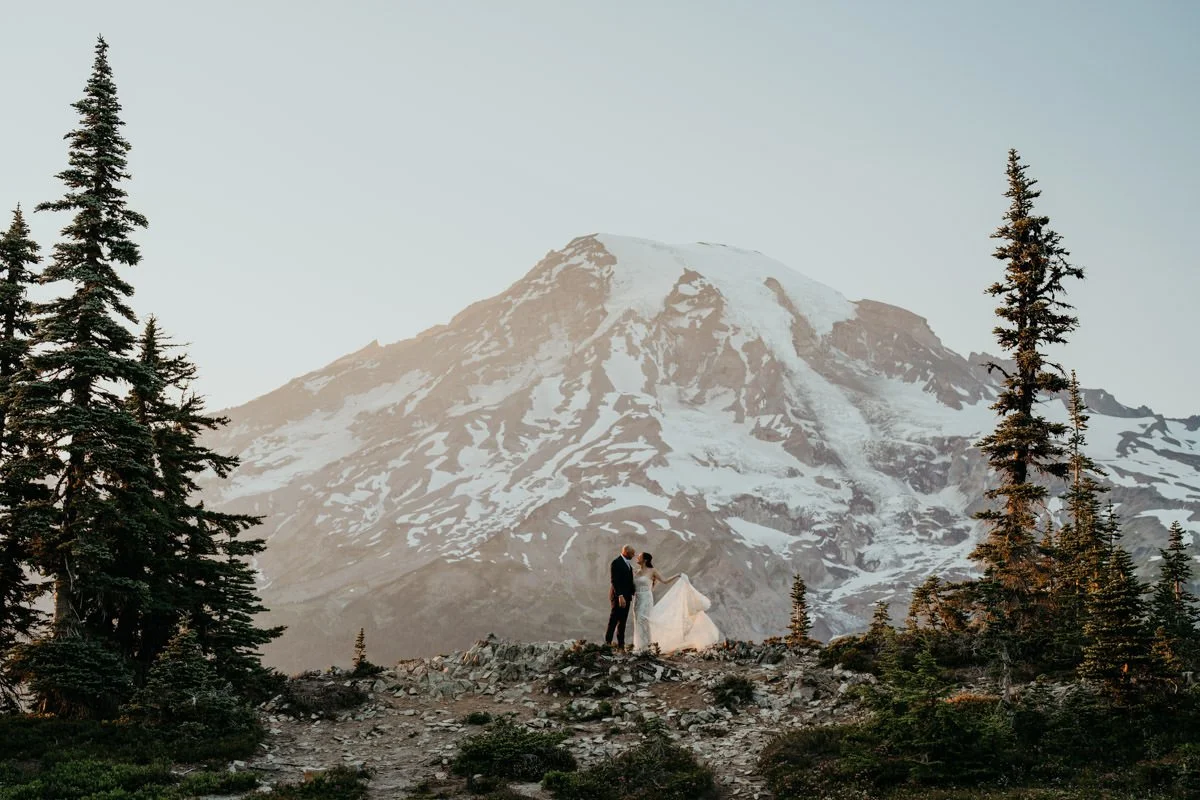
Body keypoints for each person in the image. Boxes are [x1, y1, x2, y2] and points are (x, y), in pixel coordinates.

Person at [632, 551, 679, 653]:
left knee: (644, 619)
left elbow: (665, 581)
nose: (637, 558)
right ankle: (639, 646)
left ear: (645, 560)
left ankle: (647, 646)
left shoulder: (652, 570)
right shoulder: (636, 571)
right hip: (637, 599)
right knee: (637, 620)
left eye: (639, 557)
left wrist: (677, 575)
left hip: (646, 598)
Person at [604, 544, 637, 649]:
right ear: (626, 552)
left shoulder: (629, 565)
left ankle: (621, 645)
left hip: (627, 597)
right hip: (618, 597)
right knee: (613, 619)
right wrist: (620, 596)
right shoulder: (616, 562)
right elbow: (614, 581)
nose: (634, 555)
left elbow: (629, 582)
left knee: (623, 621)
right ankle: (607, 643)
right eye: (632, 553)